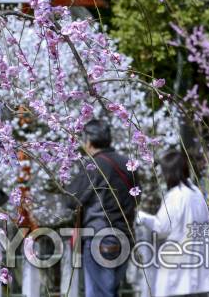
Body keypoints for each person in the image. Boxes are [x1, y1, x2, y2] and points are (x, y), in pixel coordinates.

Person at [65, 119, 139, 297]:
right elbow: (137, 197)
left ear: (88, 141)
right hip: (125, 236)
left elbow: (71, 198)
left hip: (101, 237)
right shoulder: (128, 165)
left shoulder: (94, 165)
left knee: (100, 293)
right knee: (110, 290)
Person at [137, 149, 209, 296]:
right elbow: (208, 221)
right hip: (200, 257)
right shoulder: (196, 192)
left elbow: (161, 227)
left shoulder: (175, 196)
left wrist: (142, 217)